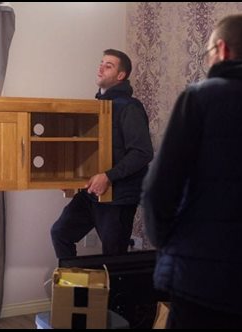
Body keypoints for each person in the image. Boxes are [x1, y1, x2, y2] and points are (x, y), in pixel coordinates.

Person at [141, 14, 242, 329]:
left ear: (221, 49)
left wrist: (166, 242)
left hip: (201, 278)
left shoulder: (201, 97)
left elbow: (160, 187)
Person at [50, 49, 154, 259]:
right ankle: (78, 290)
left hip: (118, 198)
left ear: (121, 75)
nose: (101, 68)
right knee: (60, 233)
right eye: (101, 63)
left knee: (113, 258)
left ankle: (113, 293)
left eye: (109, 65)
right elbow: (91, 151)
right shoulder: (98, 107)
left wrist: (108, 176)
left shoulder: (130, 108)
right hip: (91, 194)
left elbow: (143, 153)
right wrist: (73, 179)